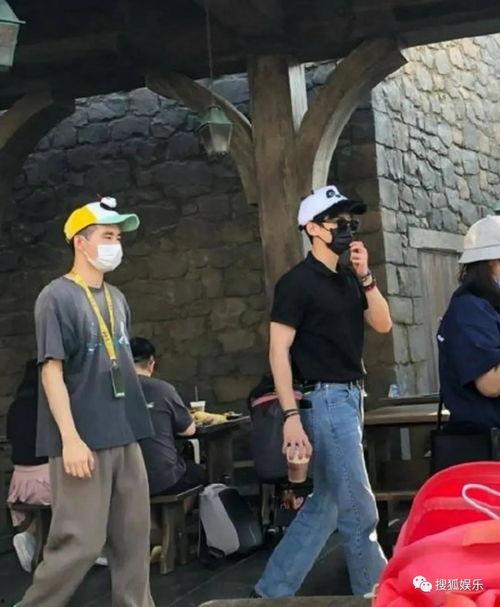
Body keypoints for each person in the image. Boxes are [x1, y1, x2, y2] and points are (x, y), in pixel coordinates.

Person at [252, 185, 393, 598]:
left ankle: (271, 591)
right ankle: (376, 593)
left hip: (350, 396)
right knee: (358, 508)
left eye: (351, 221)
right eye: (337, 222)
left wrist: (365, 275)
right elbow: (278, 351)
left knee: (327, 503)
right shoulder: (296, 283)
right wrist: (291, 416)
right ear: (313, 228)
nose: (347, 228)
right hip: (325, 399)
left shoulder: (348, 277)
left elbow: (383, 324)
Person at [15, 197, 155, 607]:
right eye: (108, 235)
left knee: (134, 538)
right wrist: (70, 439)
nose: (116, 244)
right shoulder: (56, 297)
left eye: (119, 237)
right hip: (83, 440)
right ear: (81, 241)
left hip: (125, 433)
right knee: (79, 543)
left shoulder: (117, 298)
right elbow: (51, 371)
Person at [438, 215, 500, 430]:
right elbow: (490, 384)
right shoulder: (470, 309)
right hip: (486, 438)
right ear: (492, 262)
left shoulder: (490, 306)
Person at [130, 337, 205, 497]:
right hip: (163, 479)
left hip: (127, 481)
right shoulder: (163, 389)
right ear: (151, 363)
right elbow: (188, 430)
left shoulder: (111, 392)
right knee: (199, 472)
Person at [7, 359, 51, 572]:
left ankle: (31, 534)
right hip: (47, 479)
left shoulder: (15, 406)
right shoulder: (48, 405)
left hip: (20, 481)